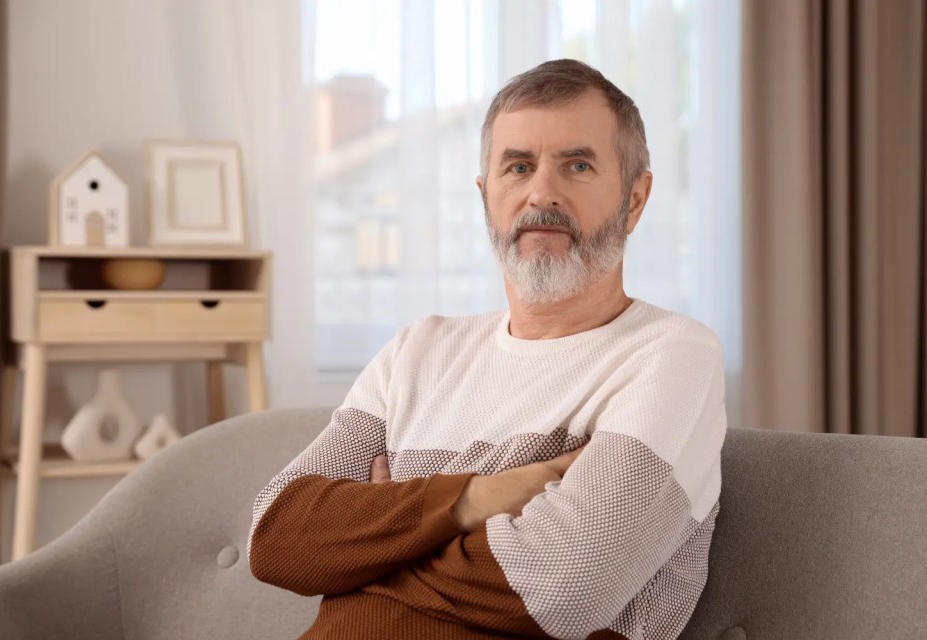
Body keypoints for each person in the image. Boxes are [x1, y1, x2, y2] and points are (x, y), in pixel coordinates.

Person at [248, 58, 727, 640]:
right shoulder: (418, 350)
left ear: (634, 198)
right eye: (518, 167)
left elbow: (564, 586)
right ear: (486, 197)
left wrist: (368, 551)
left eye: (577, 165)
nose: (540, 193)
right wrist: (474, 498)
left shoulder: (672, 357)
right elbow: (275, 538)